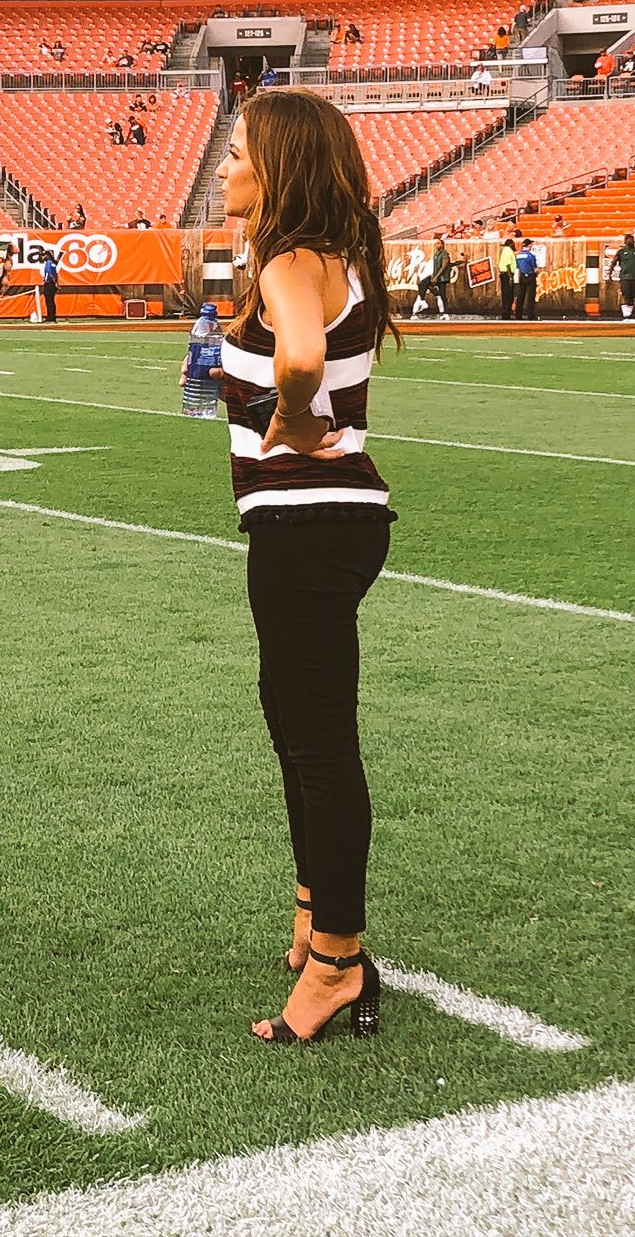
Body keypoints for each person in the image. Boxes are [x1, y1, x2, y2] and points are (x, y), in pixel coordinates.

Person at [203, 88, 393, 1044]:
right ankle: (316, 915)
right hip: (321, 524)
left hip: (310, 523)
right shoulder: (322, 257)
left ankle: (338, 963)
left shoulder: (290, 262)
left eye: (240, 151)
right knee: (296, 726)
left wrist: (289, 417)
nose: (224, 166)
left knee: (315, 741)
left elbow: (303, 361)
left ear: (279, 168)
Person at [611, 233, 635, 320]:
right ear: (625, 241)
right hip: (625, 277)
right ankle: (625, 313)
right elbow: (614, 262)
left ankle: (630, 312)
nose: (630, 241)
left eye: (632, 239)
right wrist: (610, 273)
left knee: (632, 295)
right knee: (626, 294)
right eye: (628, 239)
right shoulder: (621, 252)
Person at [514, 237, 540, 319]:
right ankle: (530, 315)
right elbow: (535, 268)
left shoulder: (518, 256)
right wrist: (537, 272)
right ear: (529, 246)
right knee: (530, 297)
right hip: (530, 276)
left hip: (522, 276)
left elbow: (517, 266)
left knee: (520, 296)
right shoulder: (531, 256)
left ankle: (518, 315)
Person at [38, 246, 59, 323]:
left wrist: (55, 283)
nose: (42, 257)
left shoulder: (50, 263)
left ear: (47, 255)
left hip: (50, 283)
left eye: (43, 255)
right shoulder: (49, 263)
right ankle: (50, 316)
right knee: (49, 300)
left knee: (50, 301)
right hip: (49, 283)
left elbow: (52, 274)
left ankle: (52, 317)